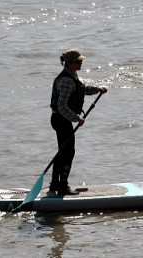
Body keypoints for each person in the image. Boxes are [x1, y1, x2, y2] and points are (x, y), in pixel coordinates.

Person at [49, 48, 107, 196]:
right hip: (61, 119)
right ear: (69, 63)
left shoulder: (72, 76)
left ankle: (55, 185)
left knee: (63, 152)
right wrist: (77, 118)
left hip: (62, 119)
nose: (81, 63)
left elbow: (81, 89)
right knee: (67, 153)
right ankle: (62, 186)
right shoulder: (66, 80)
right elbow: (61, 106)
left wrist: (96, 89)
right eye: (78, 61)